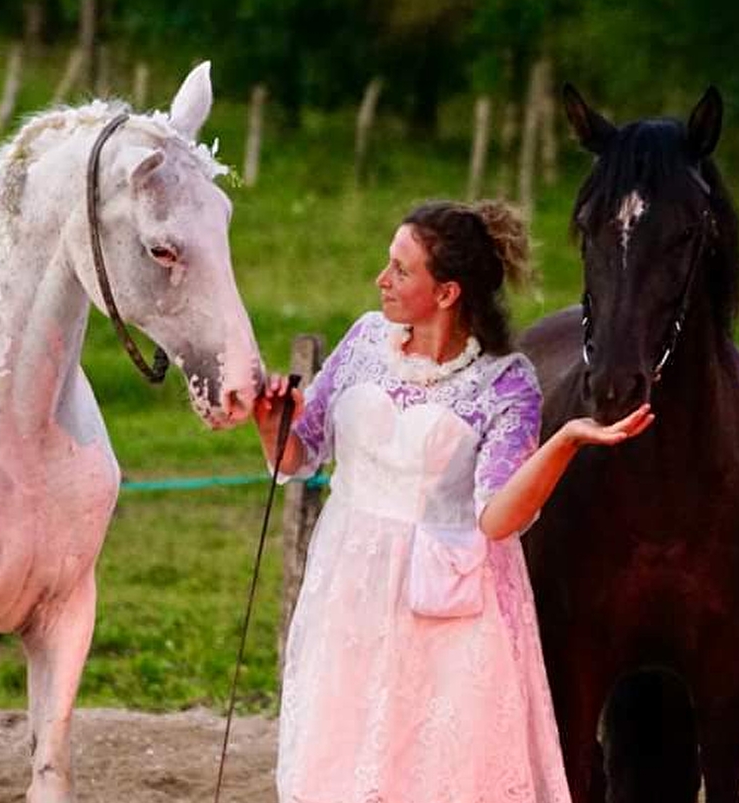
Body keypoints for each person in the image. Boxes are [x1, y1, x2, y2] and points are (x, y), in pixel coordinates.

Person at [255, 200, 653, 802]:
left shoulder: (505, 382)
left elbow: (498, 517)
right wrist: (270, 423)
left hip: (448, 600)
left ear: (446, 293)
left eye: (400, 269)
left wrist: (566, 441)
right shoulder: (365, 340)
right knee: (342, 758)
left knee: (438, 771)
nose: (381, 280)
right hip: (350, 585)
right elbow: (299, 455)